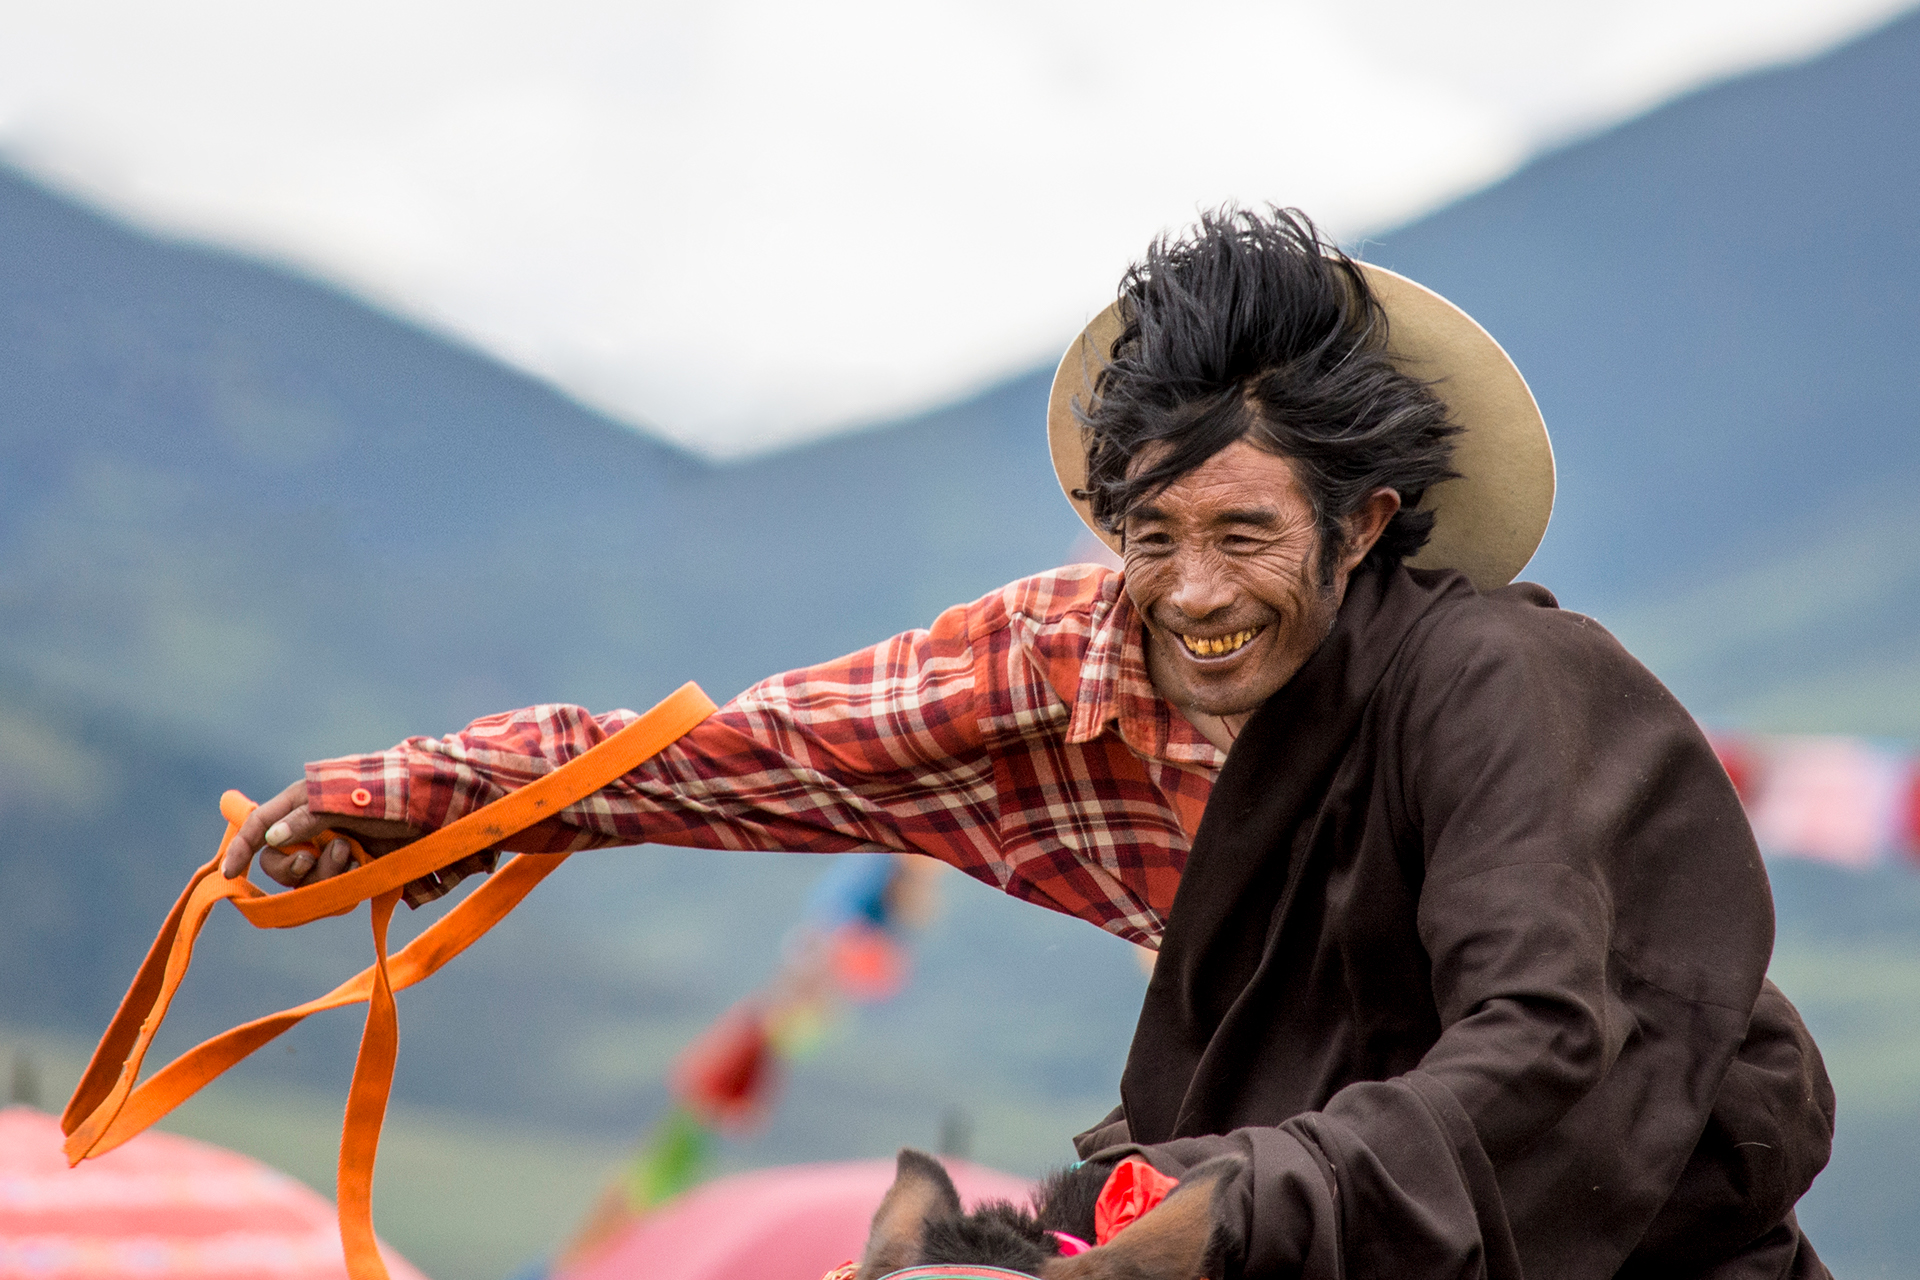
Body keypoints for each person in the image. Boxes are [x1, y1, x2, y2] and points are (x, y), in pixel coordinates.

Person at [219, 208, 1833, 1278]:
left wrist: (1217, 1220)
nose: (1193, 596)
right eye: (1152, 532)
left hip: (1623, 1237)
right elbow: (736, 755)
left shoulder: (1498, 686)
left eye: (1247, 535)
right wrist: (418, 803)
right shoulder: (1045, 668)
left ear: (1368, 524)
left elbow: (1545, 1038)